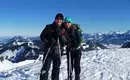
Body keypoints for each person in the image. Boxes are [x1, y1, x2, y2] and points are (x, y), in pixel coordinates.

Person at [40, 13, 67, 80]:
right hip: (49, 51)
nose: (59, 20)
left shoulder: (63, 29)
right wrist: (47, 41)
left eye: (61, 19)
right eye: (57, 19)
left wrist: (61, 36)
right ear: (55, 19)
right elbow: (42, 36)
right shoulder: (49, 27)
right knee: (45, 69)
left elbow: (65, 42)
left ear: (62, 21)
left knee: (56, 70)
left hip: (58, 52)